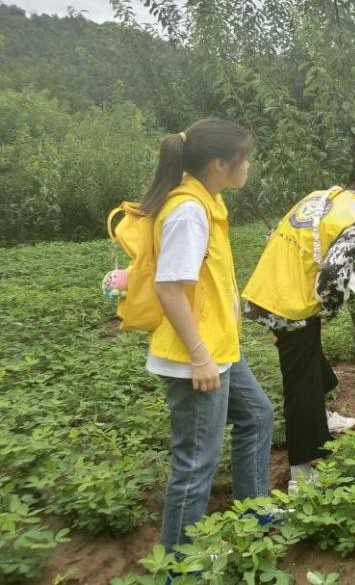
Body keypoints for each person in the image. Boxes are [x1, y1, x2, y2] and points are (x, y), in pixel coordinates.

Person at [142, 118, 274, 551]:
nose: (248, 165)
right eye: (244, 157)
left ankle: (252, 512)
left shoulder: (207, 203)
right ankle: (179, 567)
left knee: (257, 415)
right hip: (196, 357)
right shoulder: (189, 212)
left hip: (218, 348)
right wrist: (200, 356)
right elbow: (168, 287)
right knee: (196, 460)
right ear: (219, 163)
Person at [242, 167, 355, 492]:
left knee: (308, 360)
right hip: (290, 305)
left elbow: (275, 235)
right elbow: (333, 275)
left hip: (268, 292)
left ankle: (320, 415)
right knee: (301, 386)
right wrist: (331, 306)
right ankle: (302, 476)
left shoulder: (326, 197)